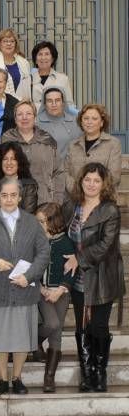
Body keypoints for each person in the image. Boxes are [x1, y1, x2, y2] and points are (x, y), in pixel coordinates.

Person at [0, 177, 50, 395]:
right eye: (4, 195)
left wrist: (29, 275)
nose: (9, 199)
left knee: (21, 337)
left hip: (24, 288)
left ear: (20, 197)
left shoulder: (31, 222)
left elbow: (43, 253)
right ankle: (1, 378)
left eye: (13, 195)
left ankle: (17, 378)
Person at [63, 163, 124, 393]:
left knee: (98, 326)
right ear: (81, 181)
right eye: (87, 179)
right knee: (82, 326)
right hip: (78, 277)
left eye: (96, 181)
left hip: (102, 276)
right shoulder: (72, 207)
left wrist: (79, 258)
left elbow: (106, 246)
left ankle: (100, 373)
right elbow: (62, 233)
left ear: (104, 184)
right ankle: (86, 372)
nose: (91, 184)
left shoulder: (110, 210)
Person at [35, 202, 76, 392]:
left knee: (57, 333)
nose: (39, 225)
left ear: (53, 221)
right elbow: (31, 267)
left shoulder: (65, 242)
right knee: (52, 324)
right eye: (38, 221)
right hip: (43, 292)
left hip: (61, 292)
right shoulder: (37, 241)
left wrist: (60, 289)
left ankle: (49, 378)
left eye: (42, 221)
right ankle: (33, 341)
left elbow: (71, 271)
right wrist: (42, 289)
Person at [2, 100, 64, 204]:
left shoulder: (47, 141)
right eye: (20, 114)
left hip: (44, 202)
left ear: (35, 117)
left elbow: (59, 172)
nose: (24, 117)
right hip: (13, 203)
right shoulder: (6, 140)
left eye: (28, 114)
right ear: (15, 119)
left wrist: (56, 201)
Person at [64, 104, 122, 194]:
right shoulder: (73, 145)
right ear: (81, 122)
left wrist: (92, 193)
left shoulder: (113, 144)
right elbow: (66, 172)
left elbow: (114, 176)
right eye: (86, 118)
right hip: (76, 198)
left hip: (103, 201)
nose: (89, 122)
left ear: (102, 122)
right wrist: (78, 191)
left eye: (94, 119)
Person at [0, 142, 38, 214]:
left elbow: (28, 214)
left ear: (19, 162)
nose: (9, 163)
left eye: (13, 159)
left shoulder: (29, 186)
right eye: (5, 159)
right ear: (0, 162)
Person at [36, 86, 82, 161]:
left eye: (57, 100)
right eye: (49, 101)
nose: (54, 104)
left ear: (63, 102)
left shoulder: (76, 122)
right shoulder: (36, 123)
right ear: (44, 104)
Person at [27, 41, 75, 111]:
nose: (43, 58)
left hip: (57, 120)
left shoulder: (63, 79)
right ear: (35, 60)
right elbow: (20, 104)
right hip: (34, 120)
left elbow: (69, 105)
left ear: (52, 59)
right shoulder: (27, 80)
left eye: (47, 54)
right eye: (40, 54)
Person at [0, 28, 31, 99]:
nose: (9, 44)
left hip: (23, 104)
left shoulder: (24, 63)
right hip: (2, 104)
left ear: (16, 44)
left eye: (12, 41)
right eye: (5, 41)